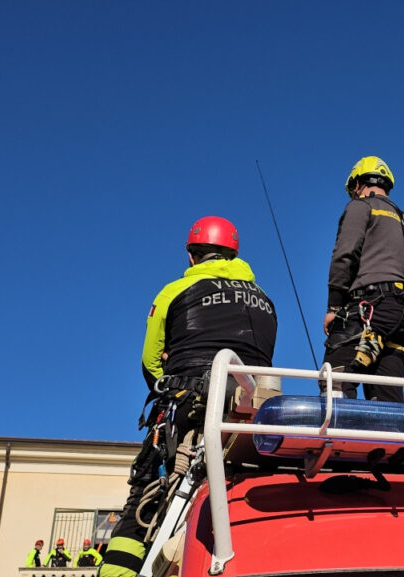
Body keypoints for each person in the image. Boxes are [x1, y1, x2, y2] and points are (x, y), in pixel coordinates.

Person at [99, 216, 278, 577]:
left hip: (187, 410)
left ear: (193, 256)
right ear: (234, 254)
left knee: (144, 498)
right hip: (252, 422)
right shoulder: (267, 303)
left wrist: (168, 378)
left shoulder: (173, 292)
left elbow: (151, 360)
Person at [322, 156, 404, 402]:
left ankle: (341, 438)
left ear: (357, 184)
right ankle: (392, 440)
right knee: (386, 394)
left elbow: (344, 255)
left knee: (335, 379)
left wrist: (334, 307)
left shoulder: (361, 207)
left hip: (371, 307)